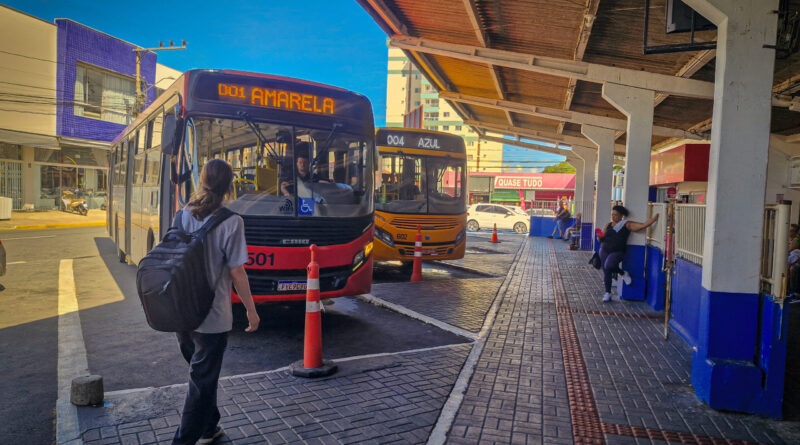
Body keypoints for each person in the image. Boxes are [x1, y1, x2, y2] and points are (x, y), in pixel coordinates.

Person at [172, 159, 260, 445]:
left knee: (201, 376)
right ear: (229, 187)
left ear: (202, 180)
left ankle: (209, 428)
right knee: (201, 383)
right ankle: (182, 440)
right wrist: (251, 310)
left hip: (180, 312)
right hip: (212, 316)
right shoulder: (233, 222)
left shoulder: (182, 215)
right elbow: (237, 271)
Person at [597, 205, 659, 302]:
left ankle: (623, 273)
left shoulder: (626, 224)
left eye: (616, 215)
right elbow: (601, 237)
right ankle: (607, 293)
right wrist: (599, 236)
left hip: (618, 251)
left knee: (609, 265)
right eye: (612, 215)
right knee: (606, 271)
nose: (613, 217)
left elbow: (642, 226)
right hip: (604, 249)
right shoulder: (608, 225)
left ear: (622, 215)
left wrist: (654, 219)